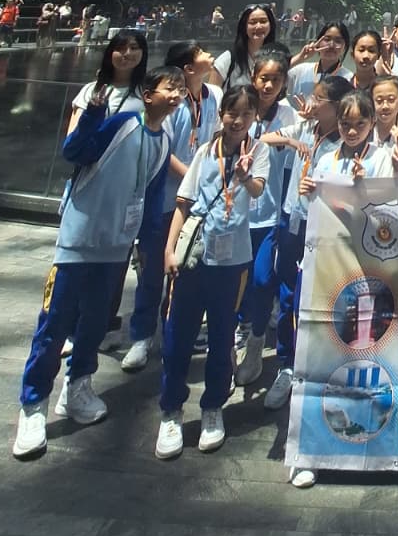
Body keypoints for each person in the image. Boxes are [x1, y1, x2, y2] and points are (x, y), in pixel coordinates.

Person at [12, 62, 179, 458]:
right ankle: (33, 404)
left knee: (94, 323)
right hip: (79, 240)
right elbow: (75, 151)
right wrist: (92, 115)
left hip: (116, 246)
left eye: (179, 90)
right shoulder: (122, 124)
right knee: (55, 322)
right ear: (148, 94)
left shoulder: (164, 139)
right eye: (168, 88)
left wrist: (147, 242)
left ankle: (78, 387)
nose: (175, 95)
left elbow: (153, 194)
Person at [155, 84, 270, 460]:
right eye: (232, 113)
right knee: (178, 335)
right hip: (194, 257)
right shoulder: (206, 151)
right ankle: (171, 410)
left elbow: (257, 190)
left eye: (247, 114)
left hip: (233, 261)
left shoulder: (258, 150)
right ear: (222, 114)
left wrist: (246, 175)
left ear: (255, 117)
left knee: (222, 336)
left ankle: (213, 407)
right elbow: (184, 203)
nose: (238, 120)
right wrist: (169, 249)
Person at [120, 40, 221, 373]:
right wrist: (194, 177)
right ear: (187, 68)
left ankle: (175, 331)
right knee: (152, 270)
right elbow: (165, 150)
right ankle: (141, 335)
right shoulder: (172, 103)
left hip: (198, 201)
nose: (209, 54)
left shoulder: (213, 96)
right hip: (166, 198)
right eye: (201, 52)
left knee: (186, 270)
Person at [262, 76, 349, 416]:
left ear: (336, 106)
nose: (312, 102)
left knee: (318, 297)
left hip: (323, 228)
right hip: (292, 219)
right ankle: (286, 365)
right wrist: (293, 139)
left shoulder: (346, 141)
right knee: (287, 292)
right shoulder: (305, 128)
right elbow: (264, 139)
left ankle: (316, 367)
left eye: (319, 98)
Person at [234, 48, 297, 385]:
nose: (269, 85)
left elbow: (296, 159)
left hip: (269, 214)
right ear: (253, 77)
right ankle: (234, 339)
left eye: (276, 79)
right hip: (234, 213)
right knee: (233, 284)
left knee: (261, 280)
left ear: (285, 82)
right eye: (264, 78)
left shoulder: (290, 115)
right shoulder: (240, 107)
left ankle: (256, 342)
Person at [211, 3, 278, 90]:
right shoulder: (228, 59)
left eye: (263, 21)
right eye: (252, 22)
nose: (258, 26)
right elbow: (211, 96)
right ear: (244, 26)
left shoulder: (277, 59)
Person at [286, 20, 350, 100]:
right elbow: (276, 74)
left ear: (345, 47)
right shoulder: (300, 71)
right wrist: (300, 57)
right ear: (318, 42)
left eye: (338, 41)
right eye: (327, 39)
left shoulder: (349, 78)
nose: (331, 45)